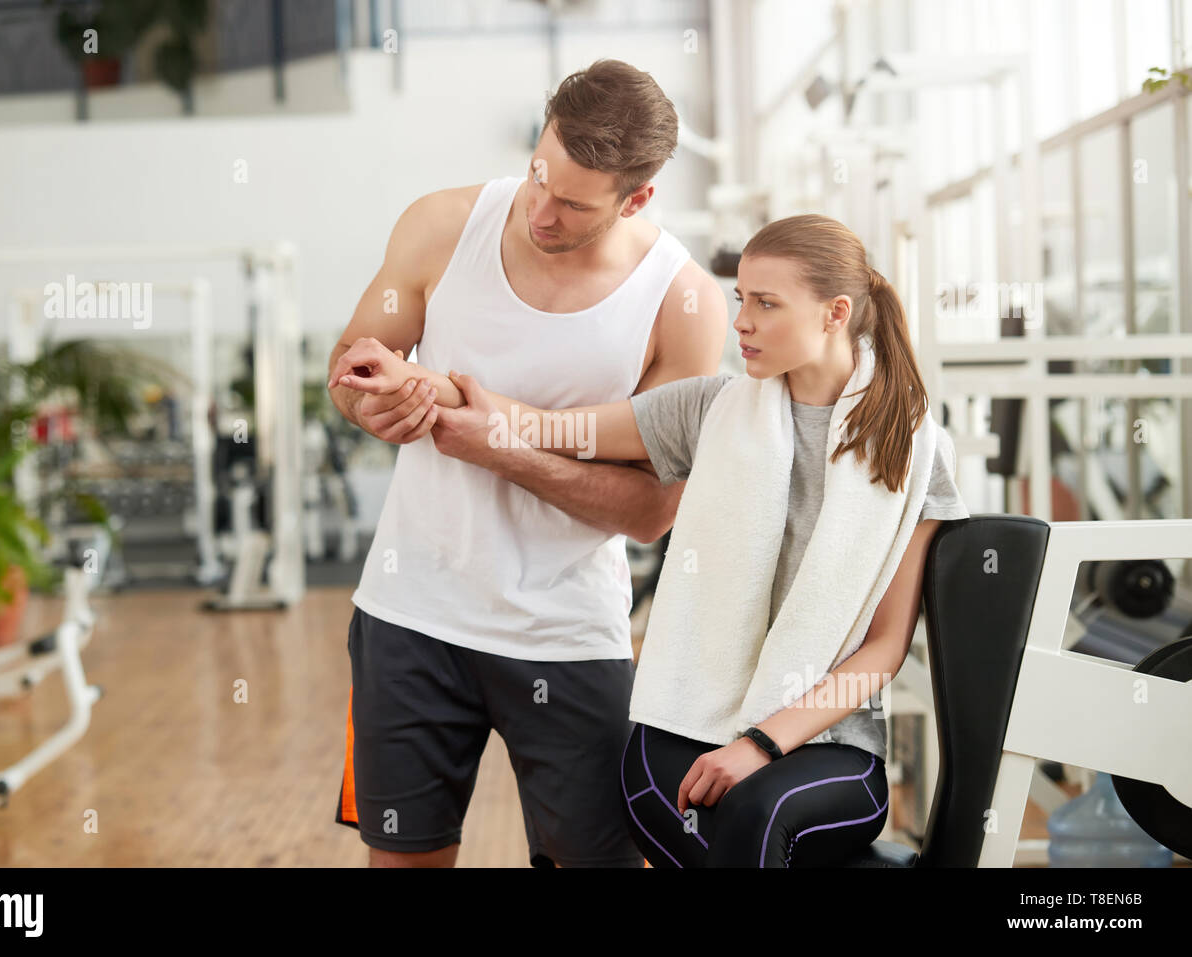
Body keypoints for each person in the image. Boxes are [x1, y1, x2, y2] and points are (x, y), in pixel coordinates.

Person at [330, 213, 971, 867]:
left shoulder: (914, 453)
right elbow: (554, 428)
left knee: (752, 813)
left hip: (832, 745)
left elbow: (885, 649)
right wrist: (417, 381)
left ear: (836, 313)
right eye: (740, 299)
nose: (741, 321)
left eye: (766, 304)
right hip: (694, 719)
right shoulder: (710, 409)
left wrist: (760, 744)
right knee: (660, 801)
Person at [327, 59, 729, 868]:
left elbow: (652, 512)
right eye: (538, 177)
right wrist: (369, 401)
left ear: (637, 198)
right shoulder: (442, 225)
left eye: (575, 203)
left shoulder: (680, 303)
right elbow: (349, 364)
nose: (540, 211)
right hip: (410, 616)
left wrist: (503, 448)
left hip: (567, 632)